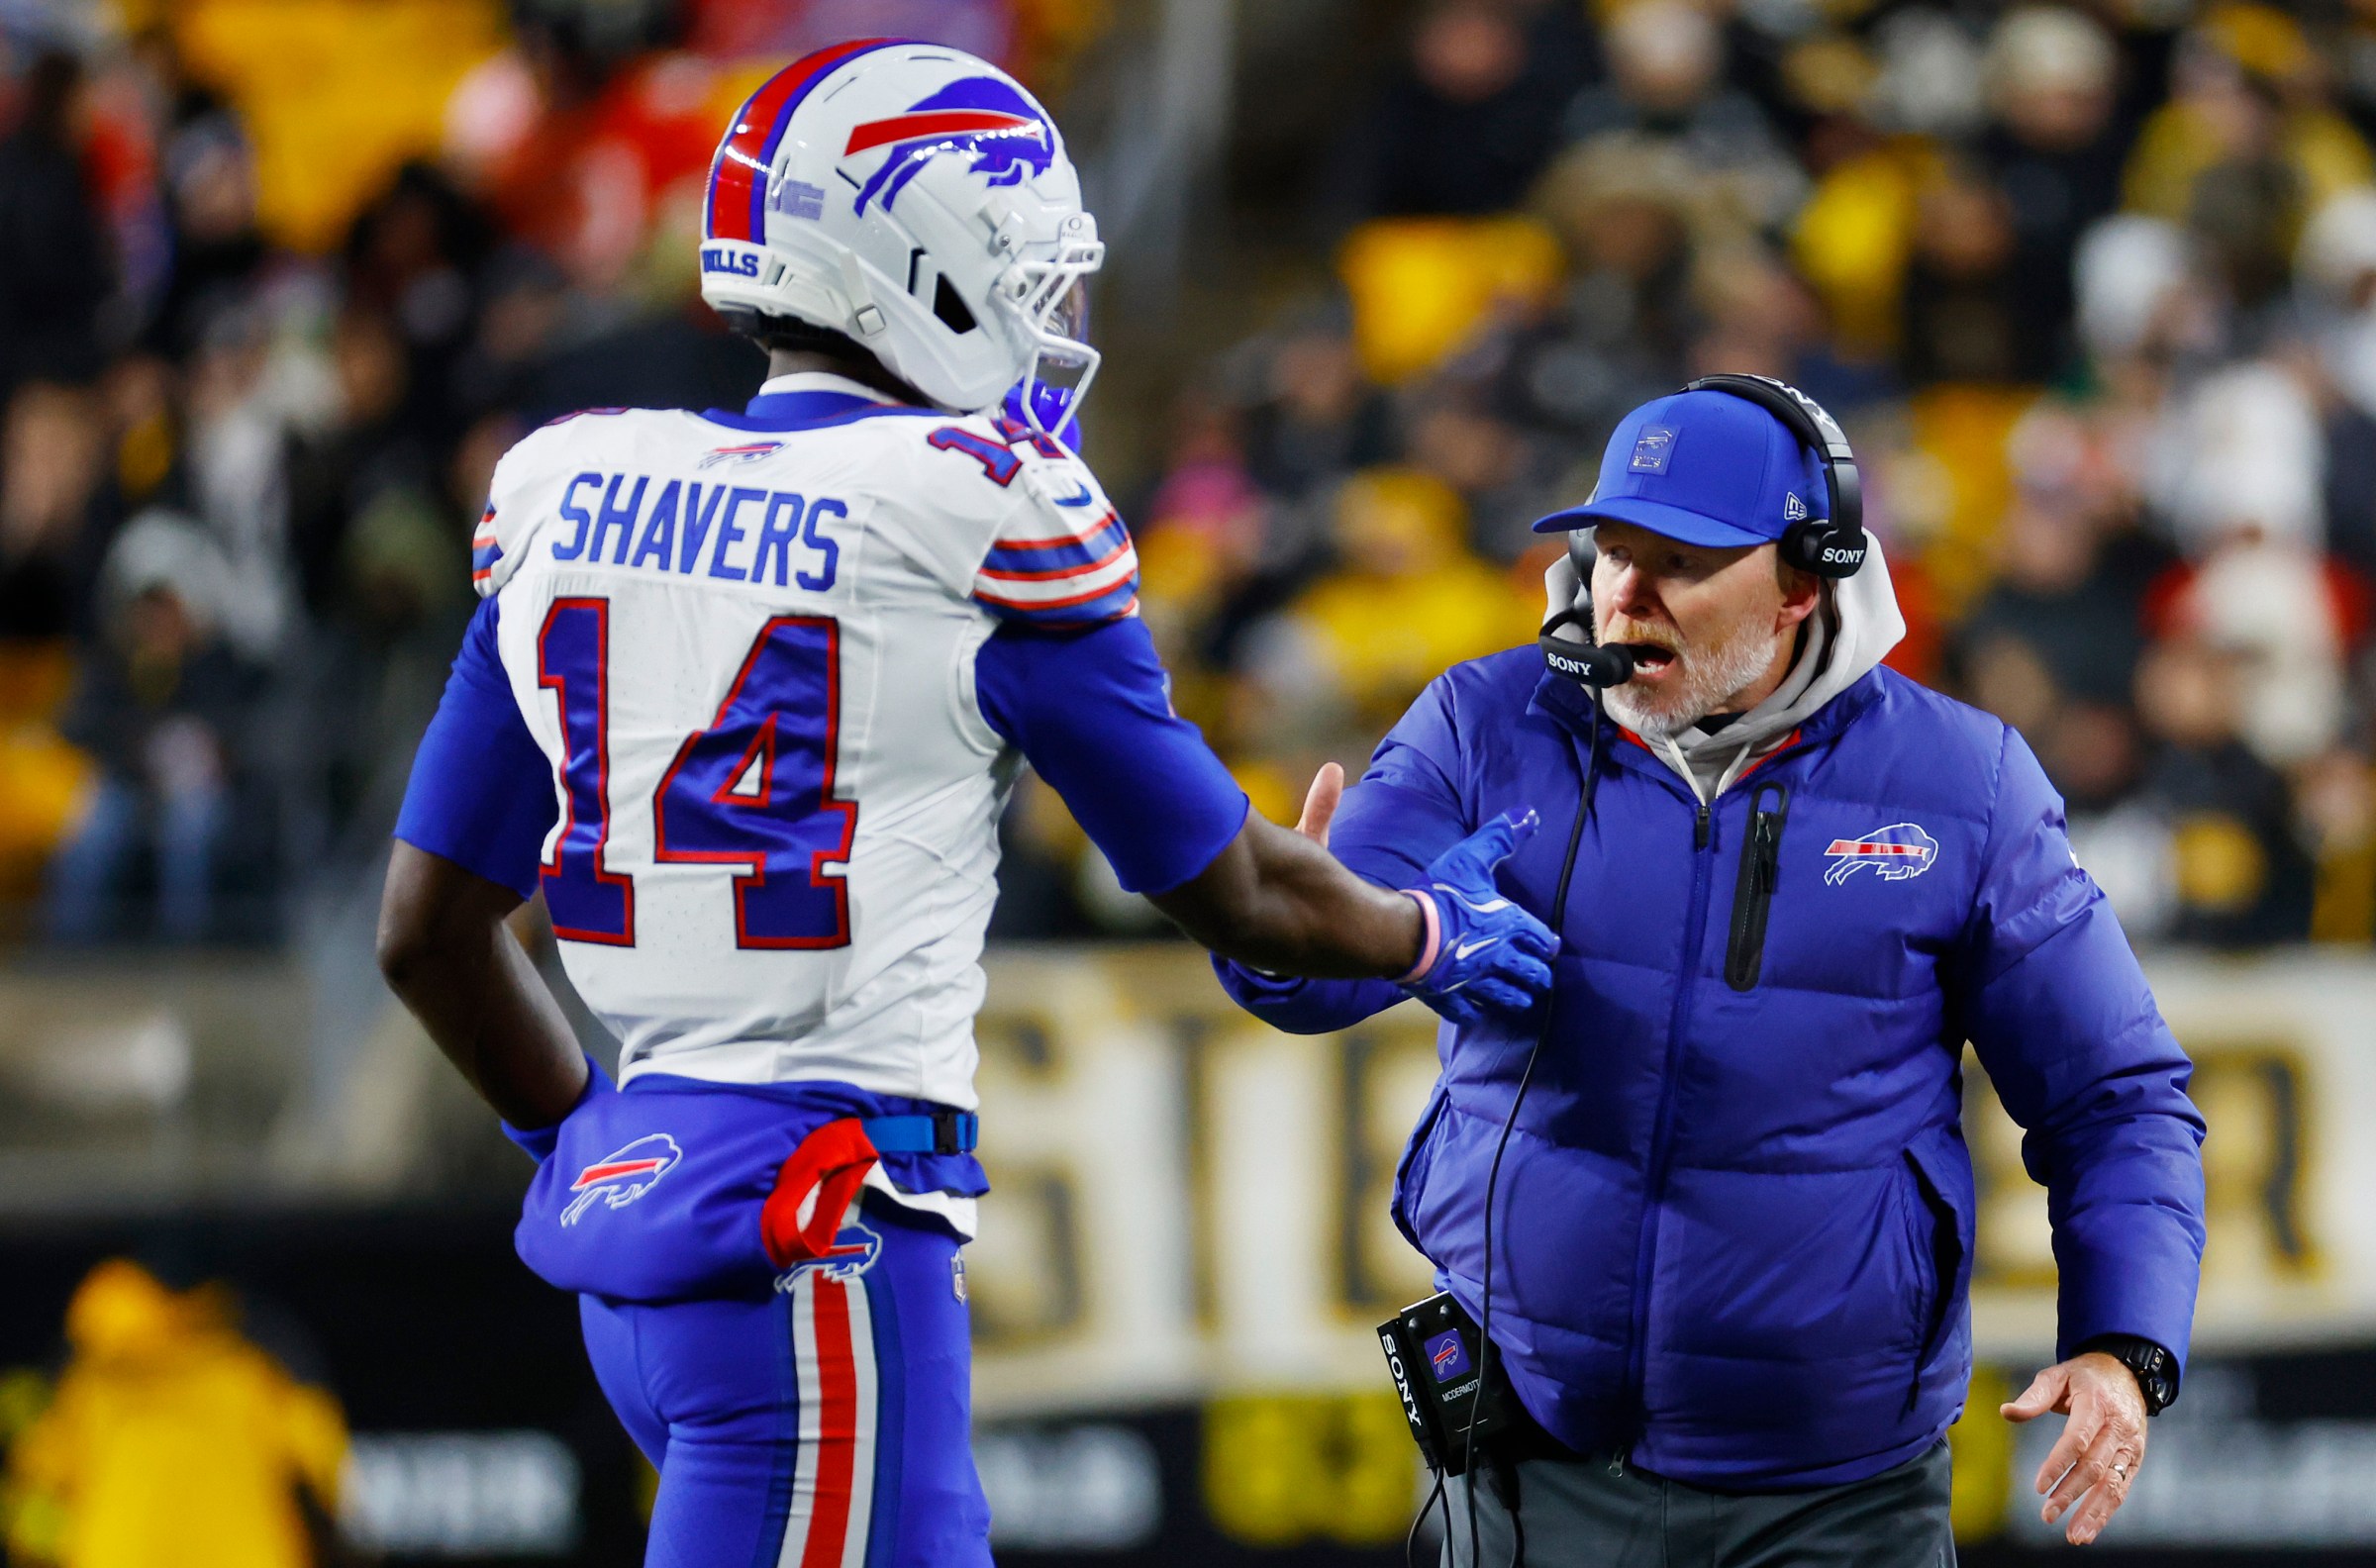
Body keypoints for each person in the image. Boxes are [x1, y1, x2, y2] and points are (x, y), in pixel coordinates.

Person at [372, 42, 1555, 1568]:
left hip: (651, 1245)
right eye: (1030, 272)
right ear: (919, 269)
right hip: (826, 1239)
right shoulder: (971, 510)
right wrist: (1424, 933)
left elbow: (426, 935)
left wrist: (589, 1141)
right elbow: (1239, 893)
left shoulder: (568, 485)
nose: (1054, 320)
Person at [1217, 380, 2208, 1563]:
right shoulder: (1483, 728)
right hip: (1532, 1462)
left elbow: (2117, 1099)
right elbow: (1310, 978)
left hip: (1838, 1500)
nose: (1623, 594)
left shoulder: (1964, 784)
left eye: (1679, 560)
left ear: (1803, 578)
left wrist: (2124, 1343)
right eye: (1611, 549)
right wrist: (1294, 924)